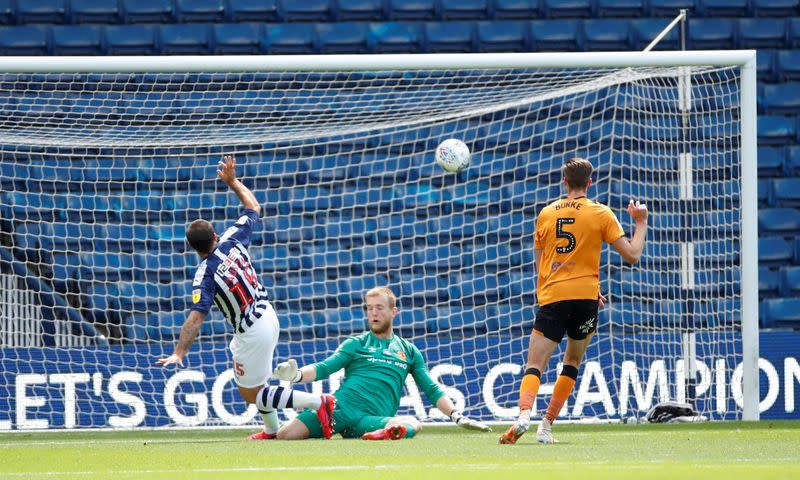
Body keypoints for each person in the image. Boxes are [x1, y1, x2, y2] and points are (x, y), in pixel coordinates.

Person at [156, 155, 335, 440]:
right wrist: (232, 181)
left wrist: (179, 352)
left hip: (251, 331)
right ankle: (271, 430)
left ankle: (319, 403)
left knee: (252, 394)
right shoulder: (232, 238)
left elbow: (195, 317)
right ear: (214, 235)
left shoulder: (205, 275)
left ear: (191, 248)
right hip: (267, 314)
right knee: (256, 381)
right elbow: (253, 207)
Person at [499, 157, 648, 445]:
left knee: (535, 364)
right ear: (589, 183)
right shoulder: (602, 213)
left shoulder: (546, 213)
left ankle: (524, 415)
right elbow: (632, 254)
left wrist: (553, 288)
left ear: (564, 182)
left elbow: (540, 262)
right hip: (586, 298)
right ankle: (546, 426)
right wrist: (640, 223)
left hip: (554, 295)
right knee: (572, 361)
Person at [271, 287, 491, 440]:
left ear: (393, 312)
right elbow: (324, 367)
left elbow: (431, 390)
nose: (373, 313)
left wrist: (456, 415)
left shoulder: (409, 351)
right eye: (369, 308)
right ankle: (345, 430)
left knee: (412, 423)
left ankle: (382, 435)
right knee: (285, 434)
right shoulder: (356, 343)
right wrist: (296, 375)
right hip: (339, 409)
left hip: (373, 419)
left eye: (379, 308)